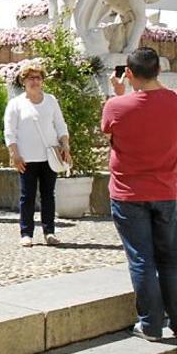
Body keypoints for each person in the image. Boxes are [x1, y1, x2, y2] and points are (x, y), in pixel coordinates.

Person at [103, 47, 177, 342]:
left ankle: (150, 325)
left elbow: (109, 133)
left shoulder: (116, 106)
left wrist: (118, 94)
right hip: (168, 190)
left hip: (127, 193)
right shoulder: (175, 103)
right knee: (171, 258)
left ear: (129, 73)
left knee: (141, 259)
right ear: (158, 70)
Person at [3, 62, 72, 247]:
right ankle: (26, 233)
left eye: (38, 78)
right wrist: (14, 153)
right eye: (31, 78)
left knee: (49, 195)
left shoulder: (50, 100)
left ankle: (49, 232)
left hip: (49, 156)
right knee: (28, 196)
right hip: (26, 157)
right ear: (23, 81)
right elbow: (10, 131)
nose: (35, 81)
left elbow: (60, 124)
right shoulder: (16, 104)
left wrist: (65, 145)